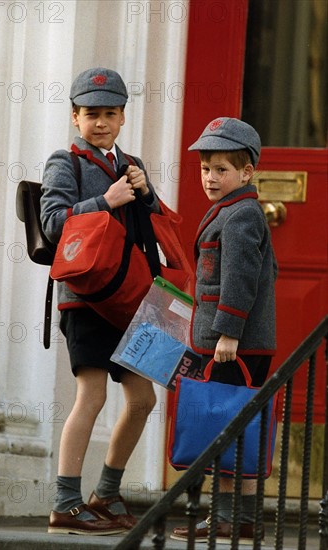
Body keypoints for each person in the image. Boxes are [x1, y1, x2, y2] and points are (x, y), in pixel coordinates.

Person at [40, 67, 157, 536]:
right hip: (85, 298)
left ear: (123, 118)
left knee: (144, 398)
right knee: (92, 393)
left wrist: (147, 198)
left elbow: (153, 230)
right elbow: (53, 223)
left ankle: (106, 493)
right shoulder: (63, 161)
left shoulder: (133, 163)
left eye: (110, 114)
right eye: (91, 114)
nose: (101, 122)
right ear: (75, 116)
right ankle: (65, 502)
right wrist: (105, 201)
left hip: (132, 299)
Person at [171, 117, 277, 543]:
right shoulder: (232, 212)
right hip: (230, 342)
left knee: (227, 429)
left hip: (233, 344)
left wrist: (228, 333)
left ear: (247, 172)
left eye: (221, 170)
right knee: (240, 426)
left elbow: (239, 279)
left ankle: (227, 519)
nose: (210, 178)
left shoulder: (240, 216)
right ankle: (246, 519)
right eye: (204, 169)